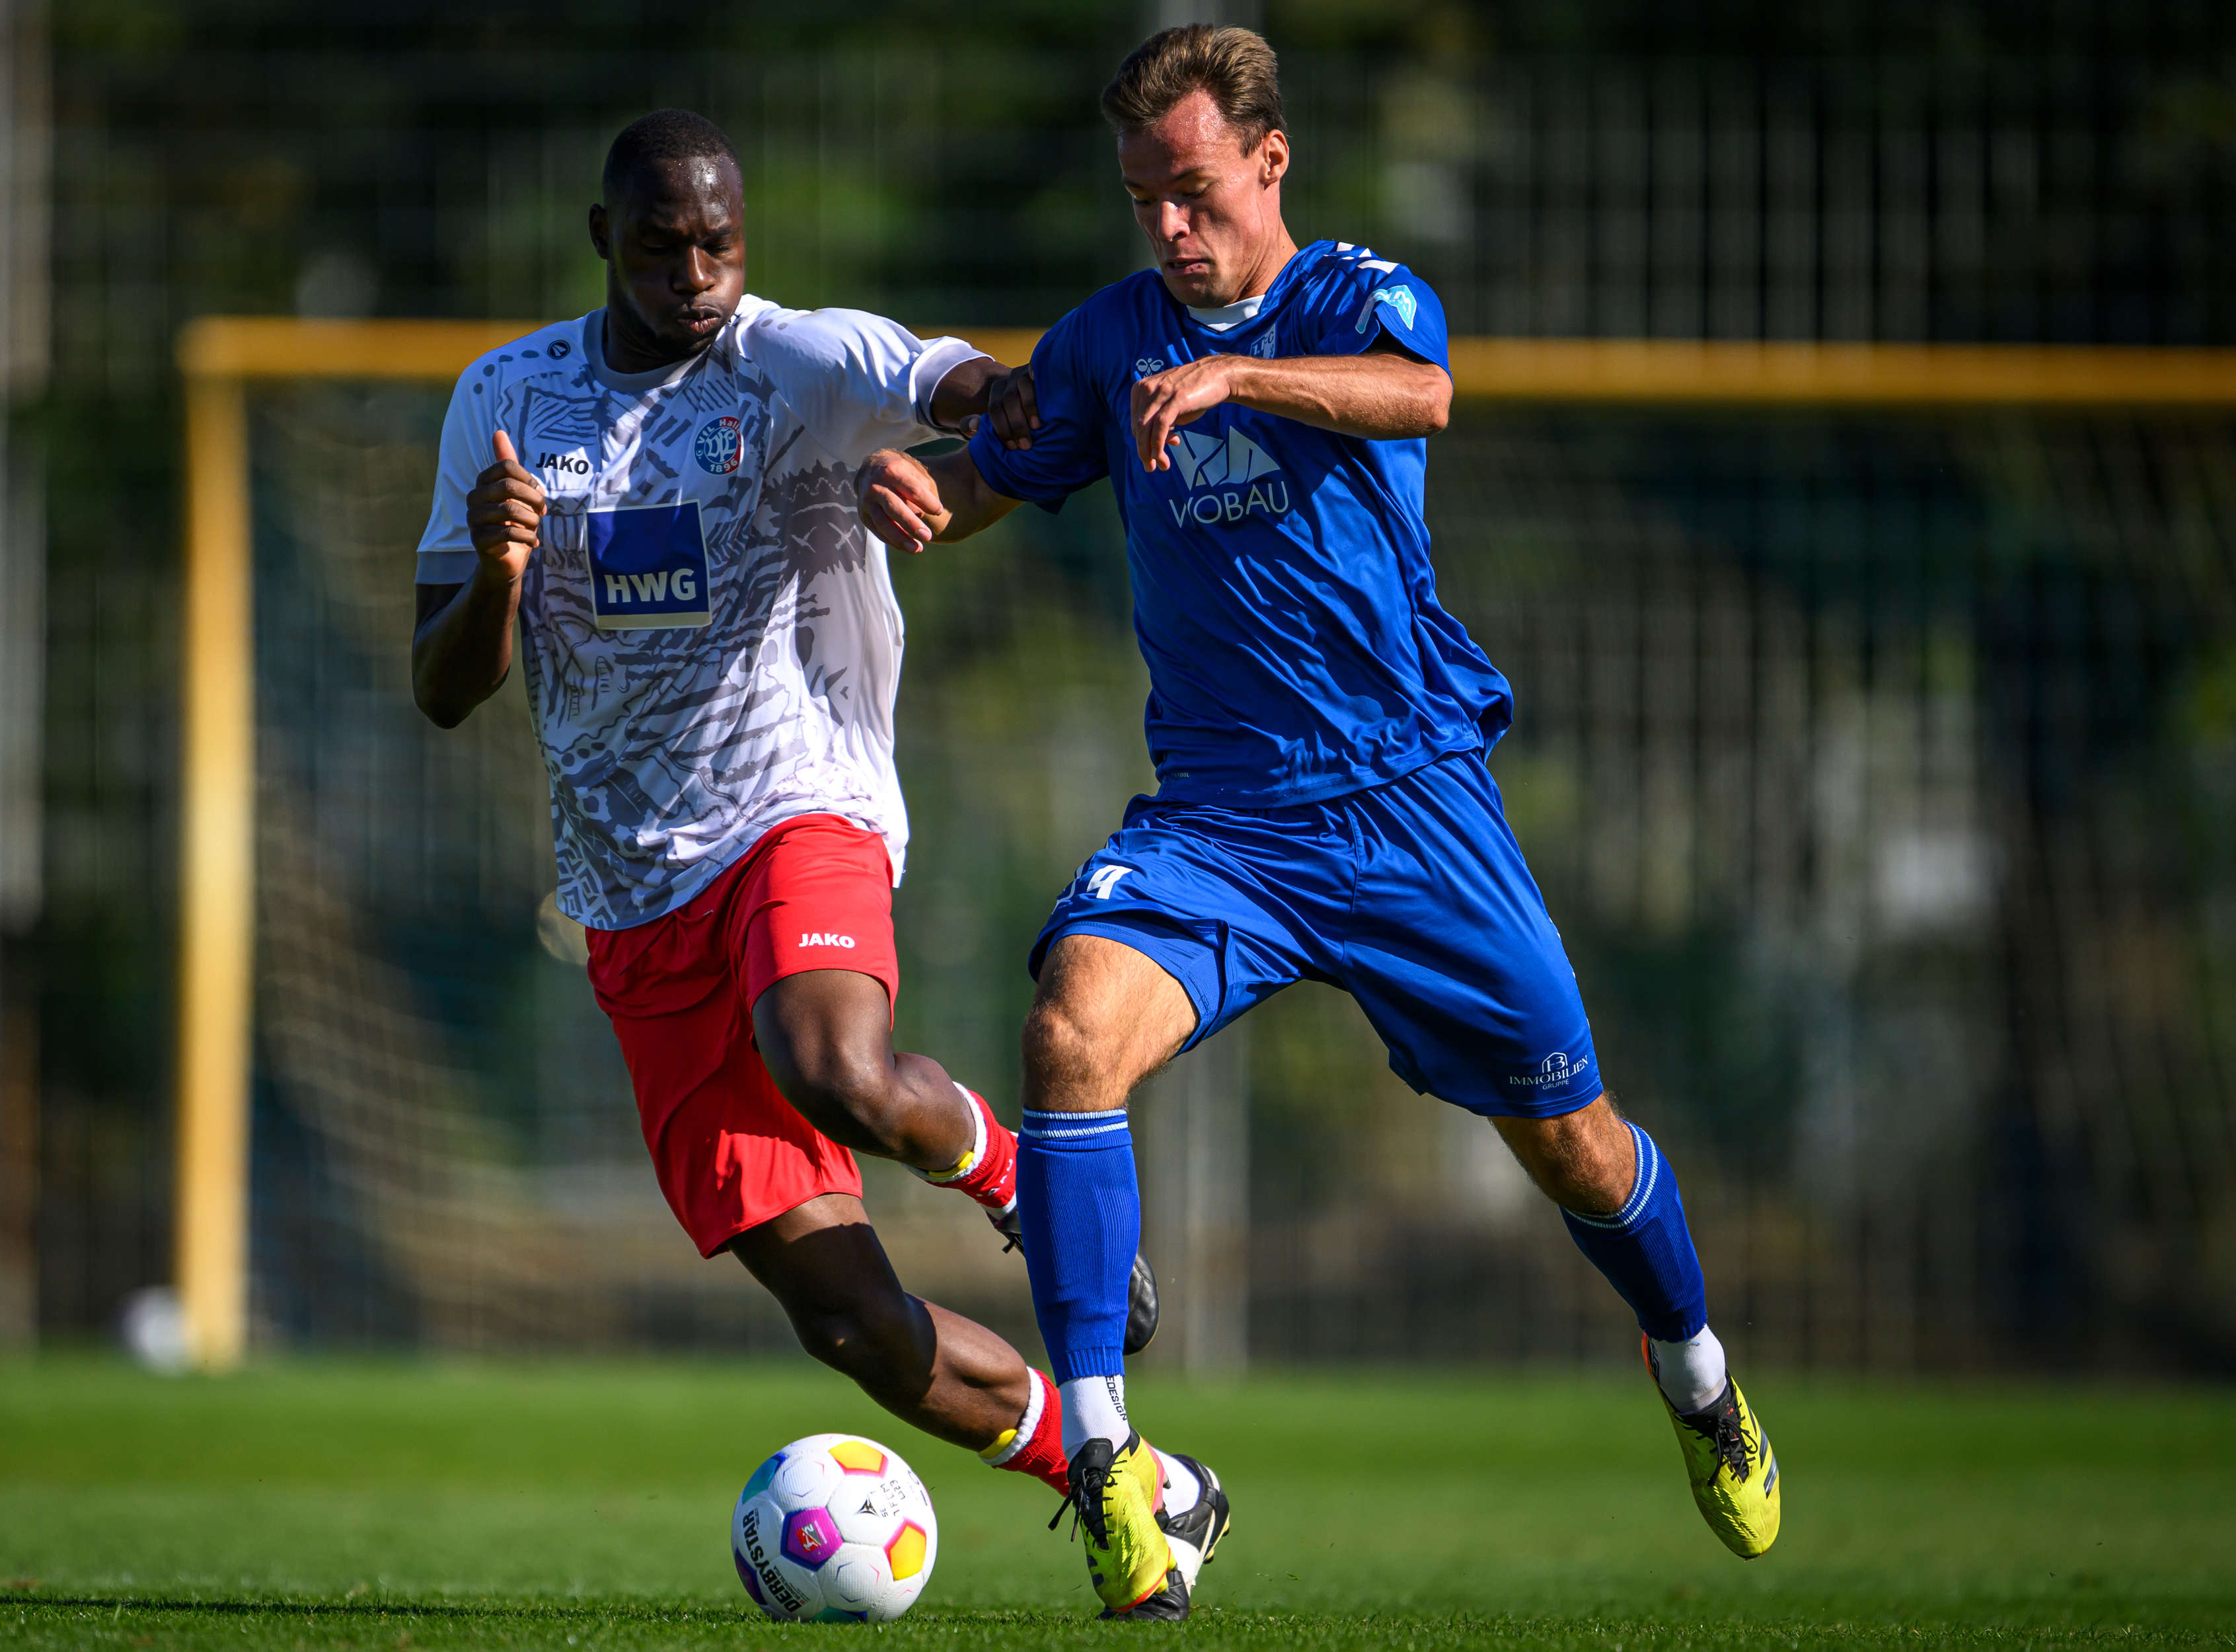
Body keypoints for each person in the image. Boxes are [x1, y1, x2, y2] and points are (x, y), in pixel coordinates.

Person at [855, 24, 1783, 1614]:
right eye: (1143, 196)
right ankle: (1104, 1463)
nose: (1166, 226)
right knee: (1069, 1035)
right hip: (1221, 822)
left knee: (1571, 1146)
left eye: (1194, 190)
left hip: (1413, 810)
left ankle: (1694, 1372)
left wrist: (1242, 371)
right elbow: (1009, 465)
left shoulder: (1360, 295)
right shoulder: (1103, 339)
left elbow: (1420, 394)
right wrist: (927, 491)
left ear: (1267, 164)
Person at [408, 110, 1228, 1616]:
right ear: (605, 239)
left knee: (832, 1063)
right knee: (847, 1321)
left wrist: (985, 431)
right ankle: (1133, 1478)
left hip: (800, 805)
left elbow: (951, 376)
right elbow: (444, 683)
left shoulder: (793, 357)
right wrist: (502, 574)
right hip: (625, 890)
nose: (698, 271)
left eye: (720, 239)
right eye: (662, 245)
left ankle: (1009, 1169)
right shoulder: (506, 403)